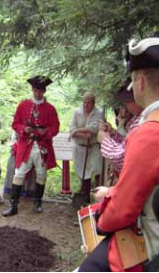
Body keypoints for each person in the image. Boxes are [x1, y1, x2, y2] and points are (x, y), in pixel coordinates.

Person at [79, 37, 159, 272]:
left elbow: (123, 210)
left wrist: (100, 223)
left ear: (140, 81)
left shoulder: (149, 134)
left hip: (151, 242)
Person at [2, 76, 60, 216]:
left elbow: (55, 127)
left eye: (40, 91)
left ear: (44, 91)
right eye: (35, 90)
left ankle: (37, 202)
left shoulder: (50, 109)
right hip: (25, 146)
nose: (37, 93)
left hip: (42, 147)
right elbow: (15, 123)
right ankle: (14, 205)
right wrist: (23, 129)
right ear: (32, 90)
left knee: (41, 174)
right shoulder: (23, 105)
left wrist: (45, 132)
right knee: (19, 173)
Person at [97, 80, 143, 175]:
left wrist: (104, 140)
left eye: (126, 102)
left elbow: (123, 157)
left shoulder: (143, 120)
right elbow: (126, 142)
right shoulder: (137, 118)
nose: (125, 106)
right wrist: (113, 133)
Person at [69, 92, 102, 202]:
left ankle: (98, 198)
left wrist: (77, 131)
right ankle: (85, 196)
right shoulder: (77, 112)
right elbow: (71, 129)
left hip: (93, 147)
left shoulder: (99, 113)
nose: (86, 105)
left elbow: (93, 129)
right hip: (79, 147)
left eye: (88, 103)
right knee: (82, 174)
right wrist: (84, 133)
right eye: (84, 103)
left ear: (93, 103)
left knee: (96, 171)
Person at [3, 131, 35, 197]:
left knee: (30, 172)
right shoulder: (18, 126)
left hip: (31, 150)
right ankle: (11, 190)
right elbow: (14, 137)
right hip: (17, 149)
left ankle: (28, 191)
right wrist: (18, 145)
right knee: (12, 168)